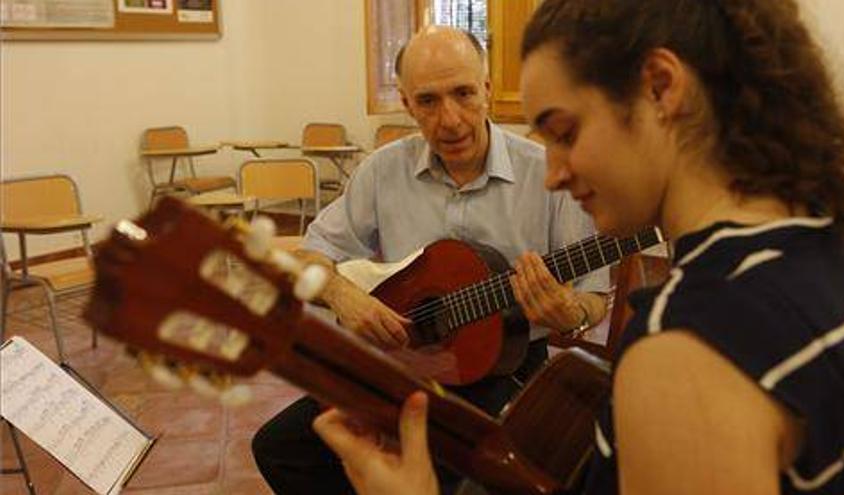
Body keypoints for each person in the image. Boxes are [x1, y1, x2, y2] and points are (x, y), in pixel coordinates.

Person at [312, 0, 844, 494]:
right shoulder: (836, 251)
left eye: (565, 132)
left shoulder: (689, 353)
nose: (553, 174)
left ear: (660, 87)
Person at [251, 25, 610, 494]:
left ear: (486, 90)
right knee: (280, 448)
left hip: (505, 368)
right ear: (405, 103)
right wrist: (342, 294)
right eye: (428, 101)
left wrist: (570, 312)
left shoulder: (546, 174)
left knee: (477, 475)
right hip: (404, 362)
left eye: (463, 93)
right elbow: (307, 257)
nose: (451, 119)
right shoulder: (382, 171)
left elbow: (594, 299)